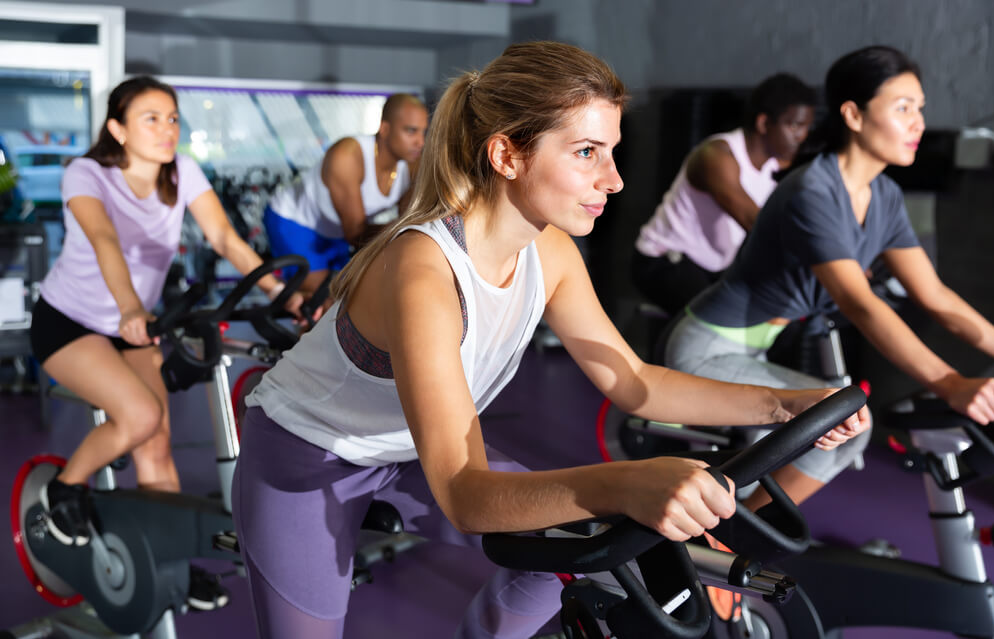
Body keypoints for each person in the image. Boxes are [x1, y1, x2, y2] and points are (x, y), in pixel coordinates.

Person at [231, 41, 869, 638]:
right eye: (587, 152)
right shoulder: (424, 271)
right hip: (307, 454)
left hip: (404, 448)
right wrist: (623, 483)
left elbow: (636, 382)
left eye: (612, 152)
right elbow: (463, 494)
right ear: (507, 155)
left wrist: (783, 406)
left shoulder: (552, 252)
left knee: (569, 543)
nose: (614, 180)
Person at [663, 45, 994, 511]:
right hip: (704, 352)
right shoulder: (812, 191)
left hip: (752, 350)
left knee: (845, 427)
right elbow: (860, 305)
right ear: (854, 116)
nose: (918, 122)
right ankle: (730, 540)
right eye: (903, 108)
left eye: (920, 109)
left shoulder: (884, 197)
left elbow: (937, 297)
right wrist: (951, 383)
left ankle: (733, 533)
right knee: (841, 424)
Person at [29, 76, 308, 610]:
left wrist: (281, 292)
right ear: (117, 128)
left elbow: (226, 239)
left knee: (157, 440)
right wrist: (131, 306)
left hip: (137, 328)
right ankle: (64, 489)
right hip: (69, 322)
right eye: (151, 119)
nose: (167, 129)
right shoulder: (86, 174)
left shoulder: (182, 172)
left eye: (173, 118)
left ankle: (171, 564)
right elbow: (104, 238)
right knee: (138, 418)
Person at [632, 73, 817, 315]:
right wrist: (826, 256)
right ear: (763, 124)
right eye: (794, 125)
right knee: (719, 320)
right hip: (664, 261)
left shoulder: (776, 166)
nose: (801, 136)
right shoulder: (717, 156)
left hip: (713, 267)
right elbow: (756, 223)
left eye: (806, 127)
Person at [263, 93, 428, 297]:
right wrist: (411, 226)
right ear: (385, 129)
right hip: (295, 220)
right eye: (411, 131)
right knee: (319, 296)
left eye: (423, 132)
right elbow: (357, 235)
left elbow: (406, 223)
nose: (420, 142)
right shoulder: (348, 155)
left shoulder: (413, 165)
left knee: (343, 296)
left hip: (336, 230)